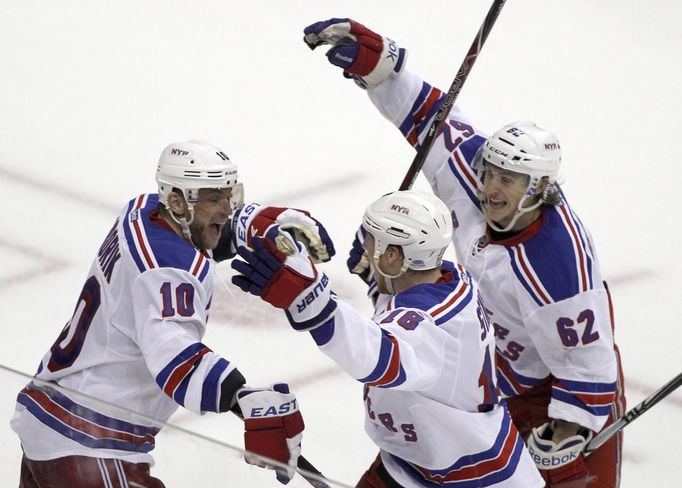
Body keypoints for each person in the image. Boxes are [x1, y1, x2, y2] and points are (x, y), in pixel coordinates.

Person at [302, 19, 626, 487]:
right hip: (485, 366)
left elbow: (588, 362)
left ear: (538, 188)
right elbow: (437, 125)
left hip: (546, 391)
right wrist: (383, 71)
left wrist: (569, 428)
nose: (491, 188)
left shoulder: (558, 263)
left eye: (507, 181)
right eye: (490, 172)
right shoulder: (477, 181)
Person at [9, 140, 334, 487]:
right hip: (90, 442)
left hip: (52, 418)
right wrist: (243, 397)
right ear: (177, 201)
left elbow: (189, 238)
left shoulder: (139, 211)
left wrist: (246, 224)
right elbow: (174, 357)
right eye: (213, 199)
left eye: (229, 195)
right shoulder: (171, 272)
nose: (227, 209)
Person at [231, 188, 545, 487]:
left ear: (394, 256)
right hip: (410, 464)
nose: (364, 245)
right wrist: (375, 277)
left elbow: (378, 357)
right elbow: (398, 315)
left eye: (371, 240)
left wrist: (311, 298)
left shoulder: (435, 324)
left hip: (470, 478)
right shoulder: (443, 278)